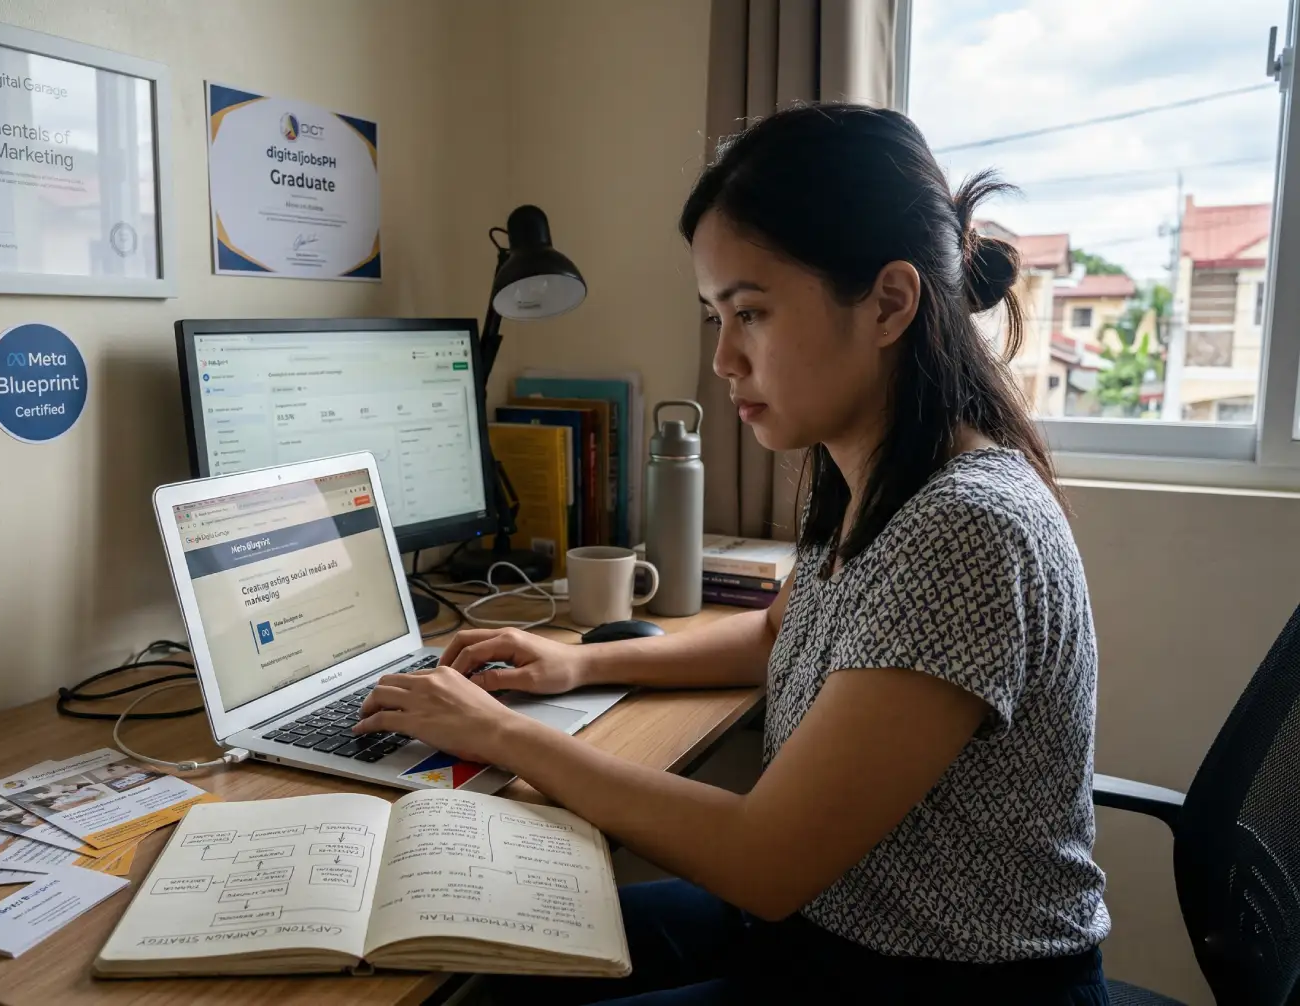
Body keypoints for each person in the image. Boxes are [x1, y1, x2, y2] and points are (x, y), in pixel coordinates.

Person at [355, 102, 1110, 1004]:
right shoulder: (873, 471)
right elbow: (771, 642)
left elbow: (763, 861)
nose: (723, 360)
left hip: (932, 979)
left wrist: (498, 734)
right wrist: (568, 667)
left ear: (890, 303)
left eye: (750, 312)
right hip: (822, 928)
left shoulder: (967, 526)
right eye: (716, 314)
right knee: (488, 967)